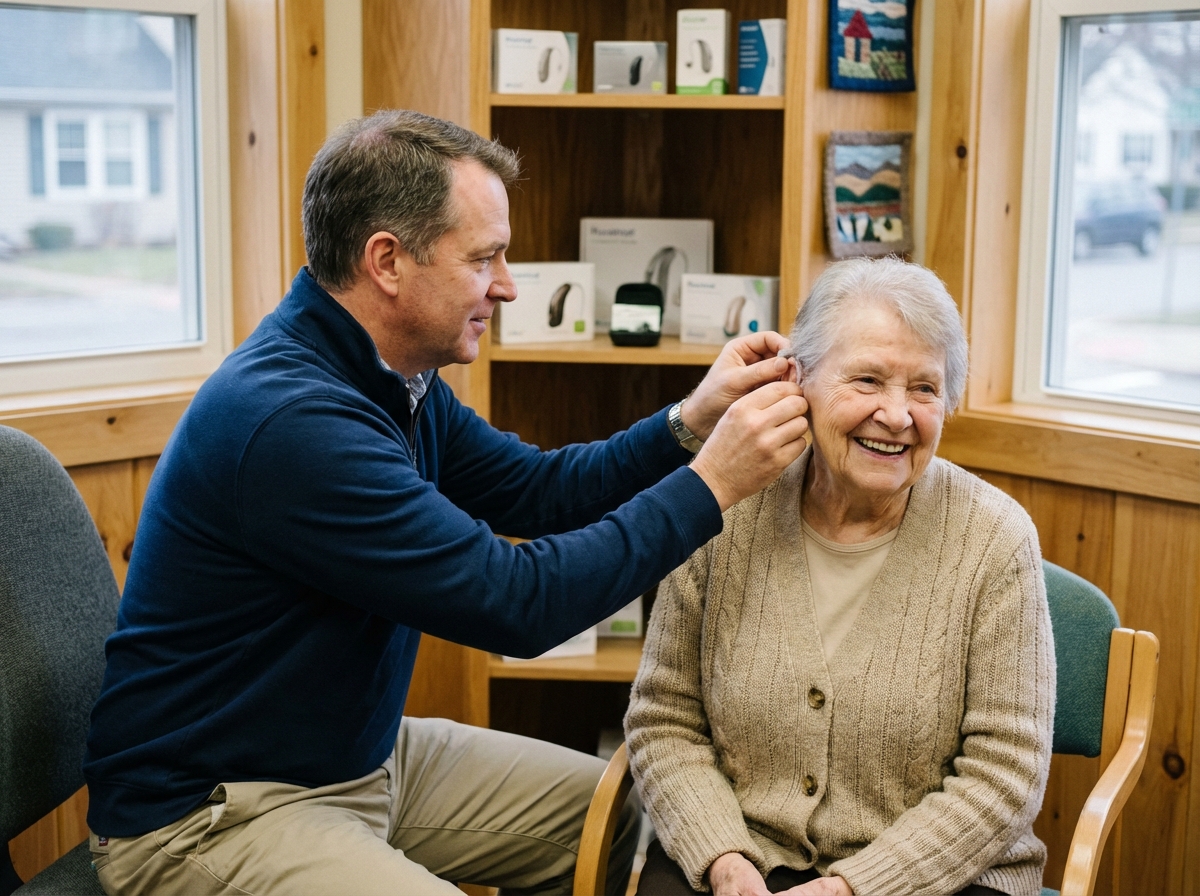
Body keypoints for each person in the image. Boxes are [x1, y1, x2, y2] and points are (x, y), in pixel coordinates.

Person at [81, 110, 810, 896]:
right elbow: (519, 604)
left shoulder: (393, 377)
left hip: (351, 760)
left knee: (618, 817)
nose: (508, 285)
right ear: (388, 261)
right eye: (483, 257)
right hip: (208, 813)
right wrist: (714, 482)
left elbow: (539, 490)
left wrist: (689, 423)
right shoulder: (295, 424)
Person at [625, 256, 1056, 896]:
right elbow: (665, 719)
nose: (896, 415)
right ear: (797, 378)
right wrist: (723, 858)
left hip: (942, 876)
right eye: (867, 380)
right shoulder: (723, 506)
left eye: (924, 389)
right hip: (744, 856)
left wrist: (852, 887)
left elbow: (1005, 776)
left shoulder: (996, 539)